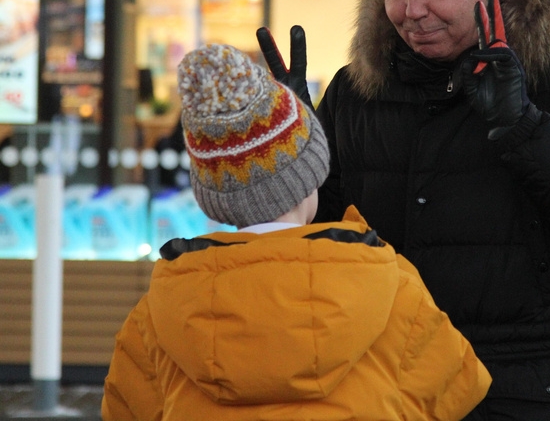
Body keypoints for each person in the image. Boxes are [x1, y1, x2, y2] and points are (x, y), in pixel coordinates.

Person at [257, 0, 550, 419]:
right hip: (395, 388)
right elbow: (313, 242)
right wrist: (289, 151)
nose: (412, 11)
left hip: (537, 390)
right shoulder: (358, 90)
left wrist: (525, 127)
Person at [101, 43, 490, 421]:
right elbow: (456, 389)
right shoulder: (391, 284)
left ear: (212, 195)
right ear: (312, 176)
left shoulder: (157, 311)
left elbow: (126, 408)